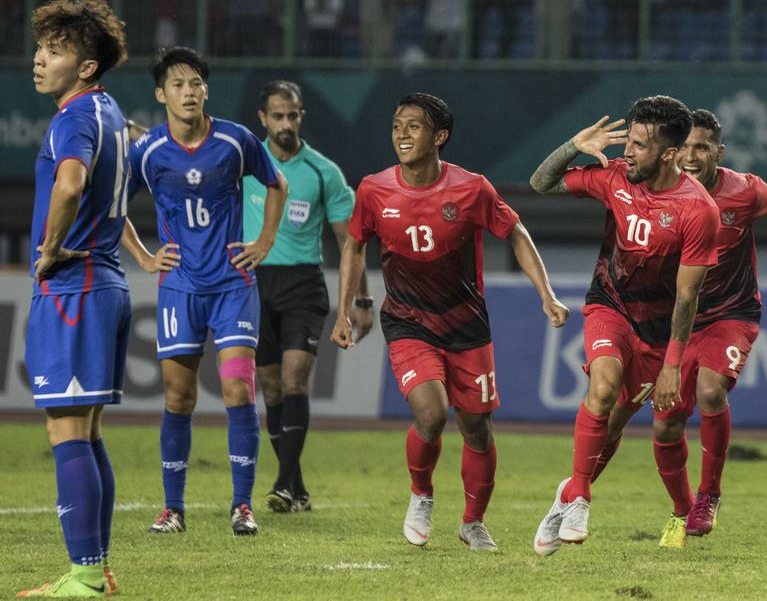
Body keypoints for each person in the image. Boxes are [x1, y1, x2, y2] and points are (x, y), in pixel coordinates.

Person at [331, 92, 568, 552]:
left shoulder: (471, 189)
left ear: (439, 136)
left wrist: (547, 294)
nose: (401, 132)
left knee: (477, 428)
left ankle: (472, 522)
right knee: (432, 413)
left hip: (466, 326)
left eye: (414, 126)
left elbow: (515, 232)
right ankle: (421, 494)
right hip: (407, 321)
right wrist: (343, 310)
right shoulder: (374, 189)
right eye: (397, 124)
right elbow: (354, 245)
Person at [587, 108, 767, 547]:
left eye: (704, 147)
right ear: (672, 151)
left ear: (720, 151)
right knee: (656, 425)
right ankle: (585, 493)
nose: (693, 156)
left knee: (712, 390)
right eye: (688, 147)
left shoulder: (745, 190)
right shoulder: (661, 192)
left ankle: (709, 495)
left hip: (729, 315)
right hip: (671, 322)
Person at [528, 95, 720, 557]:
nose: (627, 151)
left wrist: (673, 364)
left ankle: (566, 494)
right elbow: (541, 182)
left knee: (613, 424)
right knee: (603, 387)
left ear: (669, 154)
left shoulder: (698, 211)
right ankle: (580, 497)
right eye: (627, 141)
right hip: (609, 305)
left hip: (658, 332)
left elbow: (689, 296)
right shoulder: (615, 176)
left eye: (638, 144)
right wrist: (574, 143)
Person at [123, 47, 288, 537]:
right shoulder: (148, 151)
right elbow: (111, 207)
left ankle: (242, 505)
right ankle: (173, 509)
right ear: (161, 95)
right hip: (179, 289)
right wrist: (145, 257)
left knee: (239, 389)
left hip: (233, 287)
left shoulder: (236, 141)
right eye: (177, 84)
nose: (188, 91)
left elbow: (275, 185)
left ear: (206, 90)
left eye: (195, 83)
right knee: (178, 396)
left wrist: (264, 241)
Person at [19, 0, 129, 599]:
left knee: (66, 432)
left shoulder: (73, 118)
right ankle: (98, 568)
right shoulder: (112, 113)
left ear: (86, 66)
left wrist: (49, 249)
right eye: (40, 48)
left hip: (73, 289)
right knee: (85, 432)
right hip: (104, 284)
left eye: (55, 52)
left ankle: (84, 575)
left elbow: (71, 181)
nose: (39, 60)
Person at [243, 80, 373, 514]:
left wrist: (363, 300)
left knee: (295, 380)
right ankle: (295, 485)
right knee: (270, 387)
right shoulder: (244, 165)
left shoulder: (323, 172)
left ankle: (282, 483)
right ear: (263, 119)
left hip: (303, 285)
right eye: (277, 116)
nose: (285, 124)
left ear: (301, 116)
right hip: (252, 284)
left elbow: (350, 242)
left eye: (292, 115)